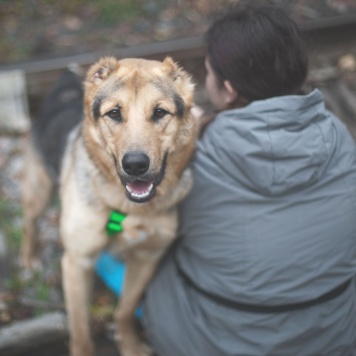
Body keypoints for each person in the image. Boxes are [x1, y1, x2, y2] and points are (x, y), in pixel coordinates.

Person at [141, 5, 356, 356]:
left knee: (129, 239)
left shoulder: (196, 157)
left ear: (227, 90)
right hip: (332, 338)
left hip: (214, 342)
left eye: (207, 73)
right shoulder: (339, 138)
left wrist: (114, 221)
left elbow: (132, 225)